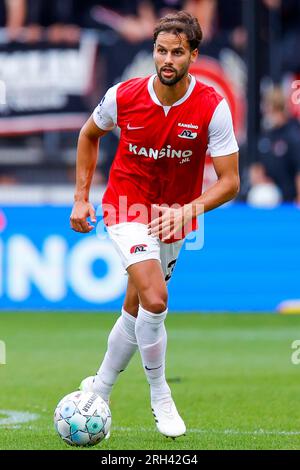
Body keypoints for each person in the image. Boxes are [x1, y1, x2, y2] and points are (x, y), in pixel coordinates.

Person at [70, 11, 239, 439]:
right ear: (153, 52)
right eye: (161, 50)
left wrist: (187, 211)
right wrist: (80, 198)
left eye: (177, 52)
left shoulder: (211, 107)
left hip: (174, 218)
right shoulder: (123, 96)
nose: (167, 59)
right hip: (126, 206)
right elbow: (88, 135)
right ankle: (160, 393)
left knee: (136, 308)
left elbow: (231, 182)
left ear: (193, 56)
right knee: (157, 299)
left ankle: (100, 390)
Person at [249, 86, 300, 204]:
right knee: (261, 194)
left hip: (288, 198)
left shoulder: (293, 135)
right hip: (270, 191)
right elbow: (256, 167)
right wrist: (261, 180)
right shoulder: (265, 135)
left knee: (265, 196)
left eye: (268, 108)